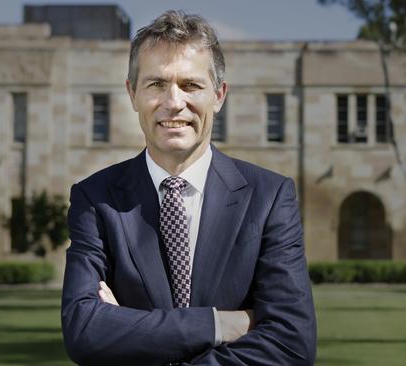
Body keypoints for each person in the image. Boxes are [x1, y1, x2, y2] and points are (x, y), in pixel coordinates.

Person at [61, 10, 316, 366]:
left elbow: (291, 345)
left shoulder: (269, 197)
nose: (174, 102)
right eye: (156, 84)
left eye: (191, 85)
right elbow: (84, 330)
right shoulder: (95, 199)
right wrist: (217, 324)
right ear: (133, 94)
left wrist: (131, 332)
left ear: (219, 95)